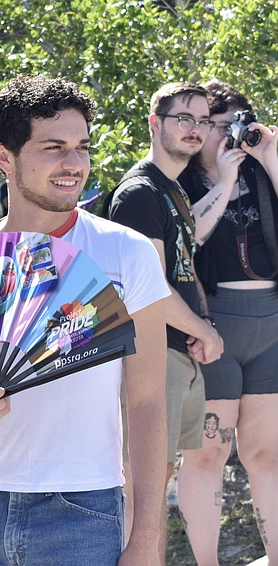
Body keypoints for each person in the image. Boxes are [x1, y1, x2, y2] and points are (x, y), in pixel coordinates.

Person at [0, 75, 169, 565]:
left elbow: (149, 404)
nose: (75, 164)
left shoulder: (126, 253)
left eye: (82, 147)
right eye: (54, 148)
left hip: (84, 512)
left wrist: (148, 537)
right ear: (4, 157)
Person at [107, 82, 224, 552]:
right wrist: (203, 332)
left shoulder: (172, 190)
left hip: (178, 351)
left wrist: (201, 325)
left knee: (161, 478)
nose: (194, 129)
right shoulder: (139, 193)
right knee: (138, 482)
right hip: (148, 357)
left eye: (203, 121)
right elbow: (149, 288)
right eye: (184, 119)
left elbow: (183, 268)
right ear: (155, 124)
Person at [175, 79, 278, 565]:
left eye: (238, 125)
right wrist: (222, 182)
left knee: (265, 456)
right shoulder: (185, 182)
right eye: (220, 126)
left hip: (270, 328)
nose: (229, 137)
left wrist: (270, 157)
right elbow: (186, 240)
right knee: (206, 455)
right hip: (212, 330)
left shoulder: (264, 173)